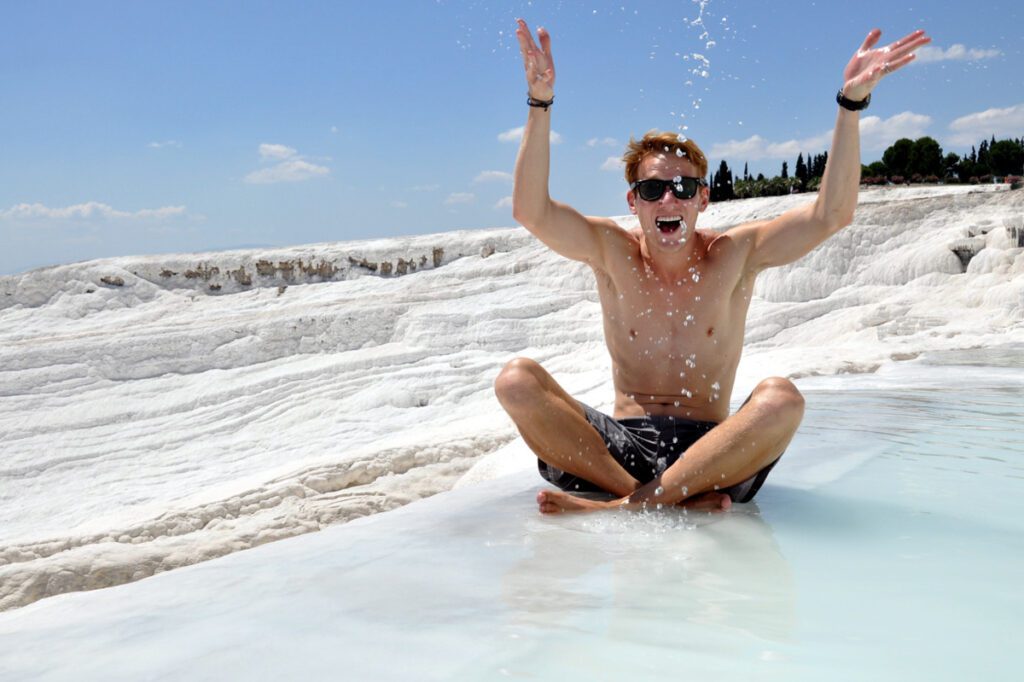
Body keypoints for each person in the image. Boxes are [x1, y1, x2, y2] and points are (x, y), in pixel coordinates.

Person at [495, 19, 931, 514]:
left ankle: (628, 506)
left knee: (782, 398)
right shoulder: (610, 250)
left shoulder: (734, 253)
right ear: (633, 202)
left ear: (703, 198)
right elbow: (530, 211)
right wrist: (539, 103)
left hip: (713, 452)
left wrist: (850, 106)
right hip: (619, 449)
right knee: (516, 380)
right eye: (653, 189)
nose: (668, 199)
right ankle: (642, 498)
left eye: (683, 188)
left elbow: (831, 215)